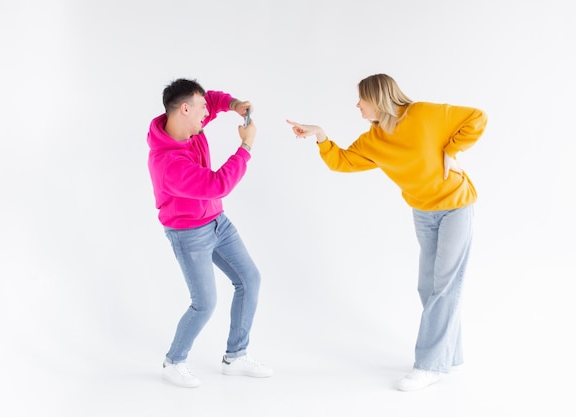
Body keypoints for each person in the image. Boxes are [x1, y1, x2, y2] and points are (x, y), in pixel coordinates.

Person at [287, 73, 487, 392]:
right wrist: (321, 136)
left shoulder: (422, 113)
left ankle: (428, 365)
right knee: (428, 287)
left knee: (445, 286)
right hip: (423, 211)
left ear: (377, 98)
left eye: (361, 99)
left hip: (456, 206)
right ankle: (452, 356)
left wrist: (452, 150)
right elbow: (342, 162)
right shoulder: (373, 141)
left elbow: (476, 117)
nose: (357, 105)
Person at [147, 78, 273, 388]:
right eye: (201, 108)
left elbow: (213, 100)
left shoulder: (189, 123)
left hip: (218, 222)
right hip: (189, 233)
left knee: (250, 279)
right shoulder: (168, 163)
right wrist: (246, 146)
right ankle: (173, 361)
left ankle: (235, 356)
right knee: (204, 303)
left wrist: (233, 105)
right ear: (185, 109)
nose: (207, 113)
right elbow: (218, 185)